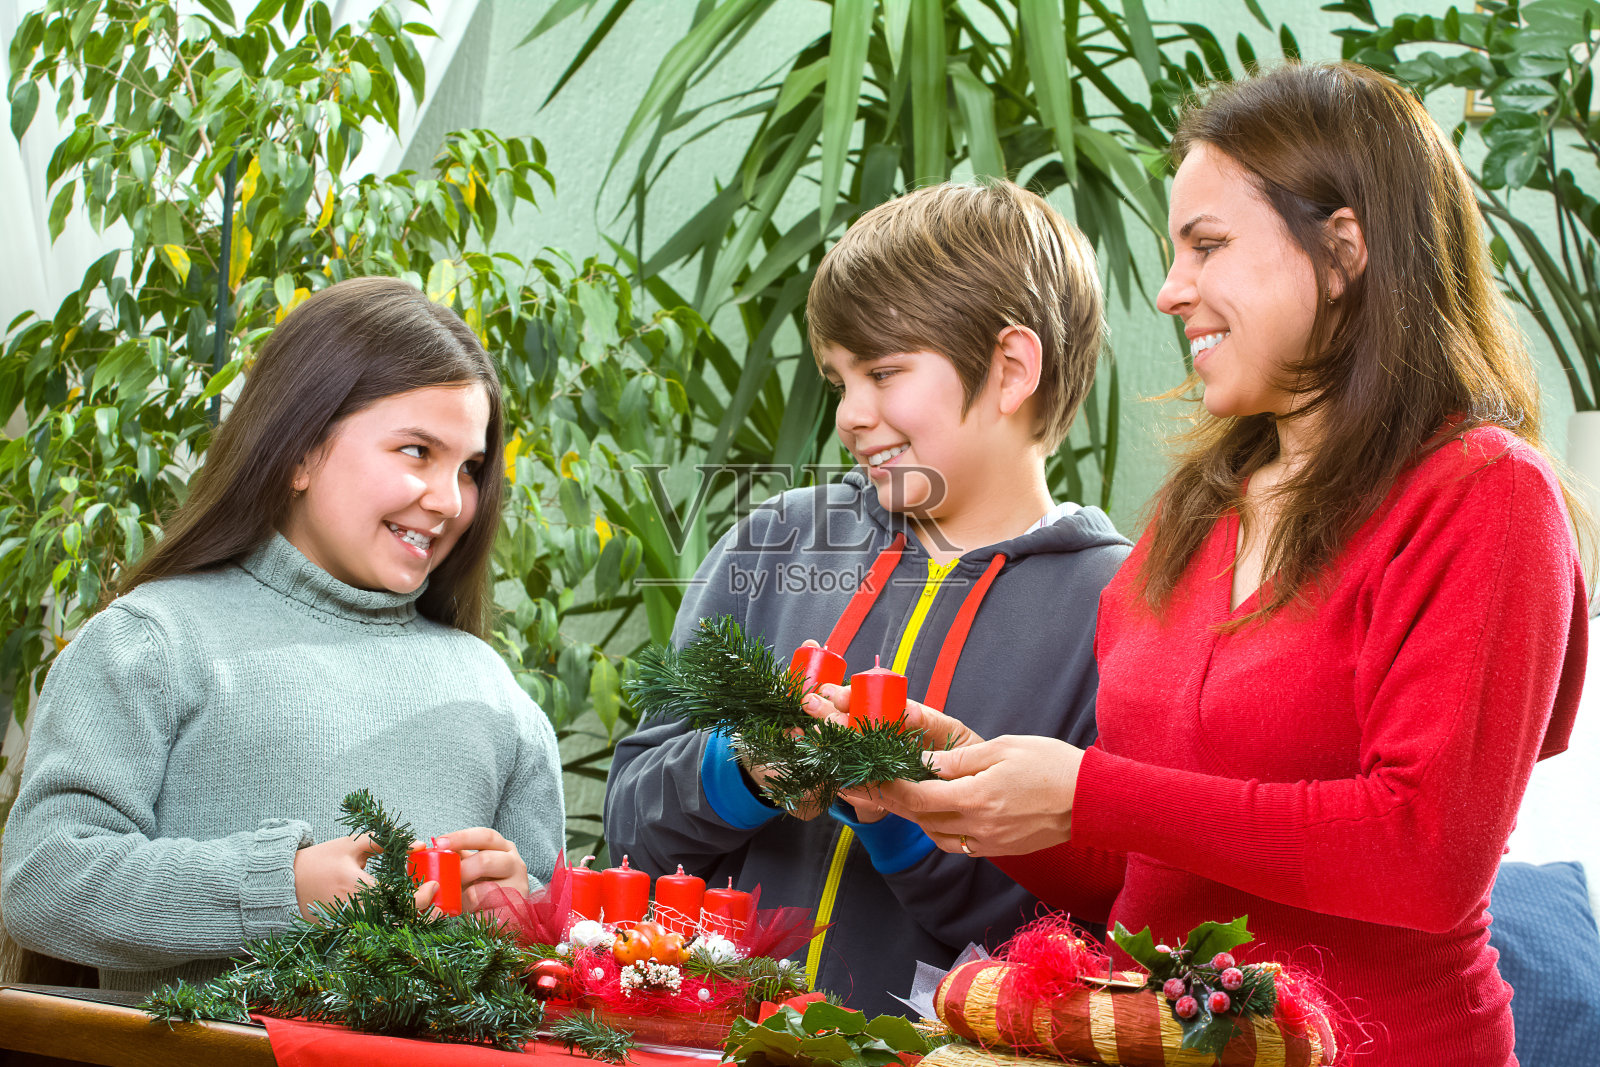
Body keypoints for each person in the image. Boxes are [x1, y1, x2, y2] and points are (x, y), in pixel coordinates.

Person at [838, 63, 1588, 1064]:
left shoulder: (1482, 495)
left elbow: (1425, 854)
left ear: (1343, 249)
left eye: (1206, 245)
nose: (1168, 291)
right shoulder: (1196, 513)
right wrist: (973, 787)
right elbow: (1145, 869)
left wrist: (1087, 788)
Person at [604, 180, 1132, 1015]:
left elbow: (1073, 934)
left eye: (883, 371)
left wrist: (898, 813)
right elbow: (629, 823)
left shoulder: (1118, 609)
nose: (850, 414)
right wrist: (739, 768)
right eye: (837, 378)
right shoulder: (775, 542)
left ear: (1012, 368)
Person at [0, 276, 565, 993]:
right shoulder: (153, 643)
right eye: (417, 451)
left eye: (471, 468)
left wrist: (525, 912)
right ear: (299, 451)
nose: (450, 500)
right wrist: (280, 889)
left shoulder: (495, 694)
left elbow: (556, 964)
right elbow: (43, 878)